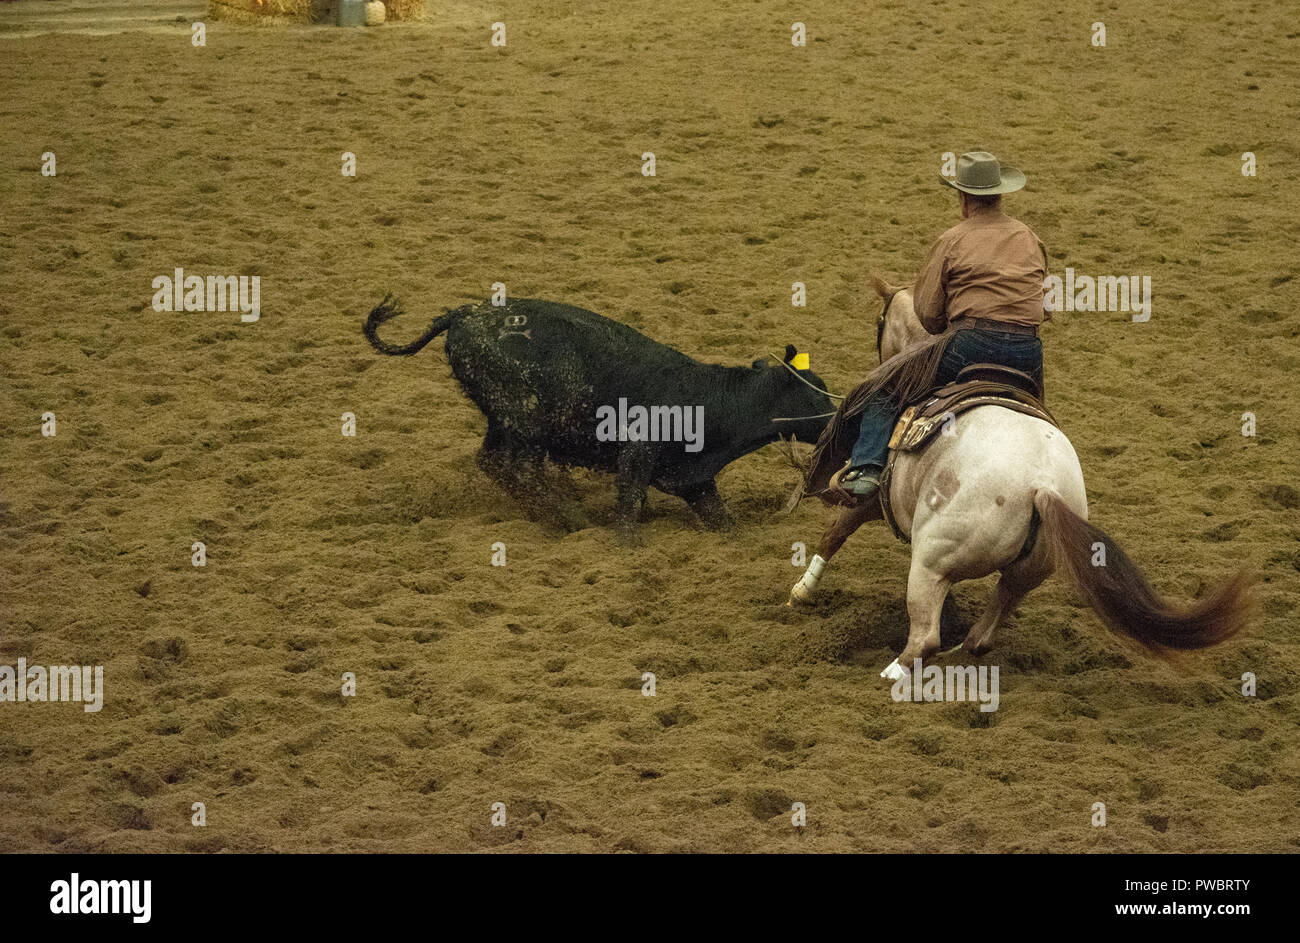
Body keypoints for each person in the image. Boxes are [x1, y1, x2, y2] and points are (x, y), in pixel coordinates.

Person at [831, 151, 1049, 503]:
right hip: (1027, 353)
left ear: (963, 199)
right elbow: (1044, 304)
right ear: (1000, 195)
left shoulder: (952, 240)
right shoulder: (1030, 239)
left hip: (970, 346)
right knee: (1040, 416)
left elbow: (930, 315)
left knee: (886, 384)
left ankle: (867, 468)